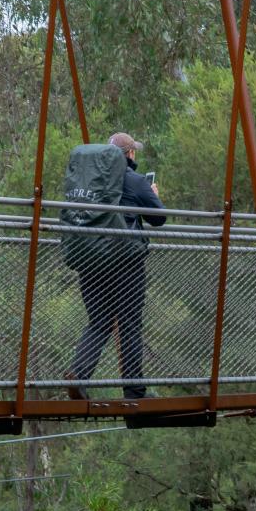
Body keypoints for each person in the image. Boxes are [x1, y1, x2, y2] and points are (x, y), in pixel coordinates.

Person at [66, 132, 165, 400]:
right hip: (126, 265)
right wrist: (152, 193)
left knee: (99, 322)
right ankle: (134, 390)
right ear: (130, 154)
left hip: (92, 260)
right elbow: (160, 219)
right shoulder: (135, 181)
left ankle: (79, 374)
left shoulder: (92, 181)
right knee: (129, 324)